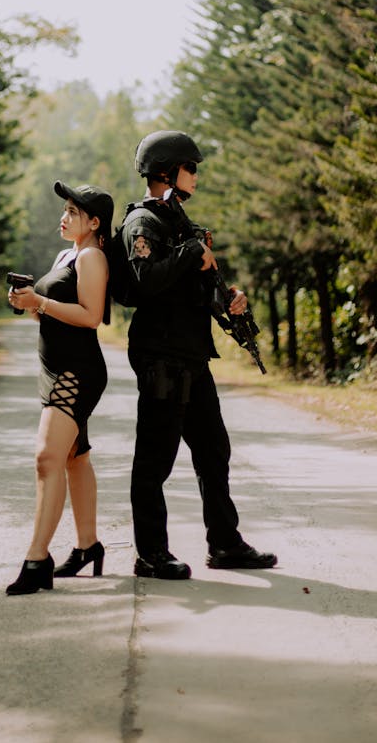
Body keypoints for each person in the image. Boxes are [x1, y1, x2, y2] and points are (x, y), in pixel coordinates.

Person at [119, 129, 278, 580]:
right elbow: (147, 282)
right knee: (156, 458)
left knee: (213, 451)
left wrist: (228, 303)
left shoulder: (181, 223)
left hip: (191, 355)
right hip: (160, 357)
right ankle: (151, 553)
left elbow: (193, 287)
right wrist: (191, 252)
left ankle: (225, 544)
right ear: (166, 171)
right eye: (191, 168)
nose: (196, 176)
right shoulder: (143, 223)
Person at [5, 180, 113, 596]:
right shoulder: (67, 254)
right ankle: (88, 546)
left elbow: (90, 316)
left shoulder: (92, 258)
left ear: (94, 222)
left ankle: (37, 559)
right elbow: (51, 316)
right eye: (65, 209)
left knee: (47, 457)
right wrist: (28, 304)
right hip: (54, 366)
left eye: (73, 211)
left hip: (76, 371)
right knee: (74, 459)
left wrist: (42, 303)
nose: (63, 217)